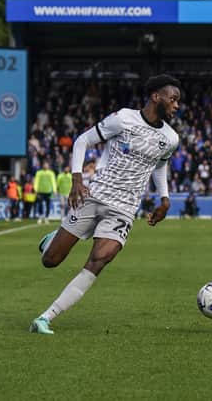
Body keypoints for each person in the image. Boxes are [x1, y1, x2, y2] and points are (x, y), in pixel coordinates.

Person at [30, 74, 181, 335]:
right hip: (95, 196)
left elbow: (160, 165)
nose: (176, 105)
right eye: (173, 99)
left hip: (124, 208)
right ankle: (52, 239)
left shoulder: (170, 138)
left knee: (100, 260)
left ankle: (45, 317)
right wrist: (77, 178)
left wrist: (165, 198)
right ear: (156, 96)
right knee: (51, 260)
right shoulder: (123, 118)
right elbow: (82, 141)